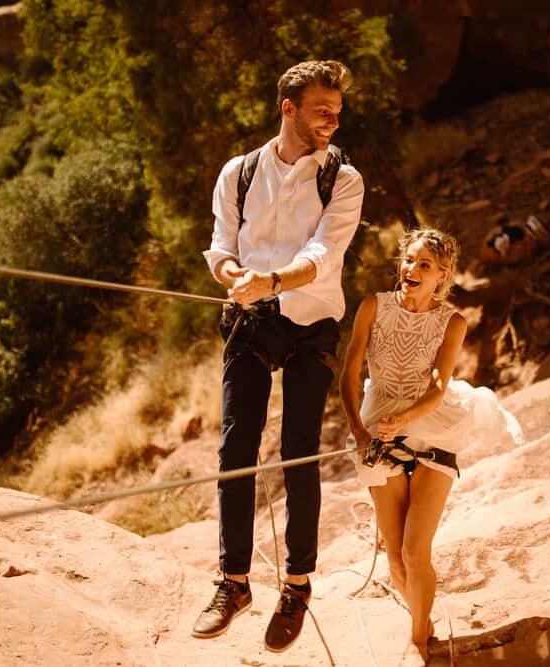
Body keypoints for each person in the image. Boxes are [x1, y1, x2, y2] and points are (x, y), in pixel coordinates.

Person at [192, 60, 364, 653]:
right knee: (236, 449)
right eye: (321, 108)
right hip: (249, 319)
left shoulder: (343, 178)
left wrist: (272, 280)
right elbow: (219, 244)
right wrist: (234, 272)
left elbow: (324, 251)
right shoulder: (239, 173)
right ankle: (233, 583)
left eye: (337, 111)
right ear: (287, 107)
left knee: (298, 453)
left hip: (312, 322)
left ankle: (296, 585)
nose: (332, 119)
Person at [340, 228, 524, 662]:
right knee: (396, 560)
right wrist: (361, 433)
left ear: (442, 276)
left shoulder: (452, 322)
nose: (412, 270)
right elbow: (349, 376)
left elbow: (440, 386)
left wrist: (404, 420)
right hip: (376, 425)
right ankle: (422, 620)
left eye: (424, 265)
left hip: (432, 425)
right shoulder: (373, 307)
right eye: (408, 260)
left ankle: (419, 641)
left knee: (413, 550)